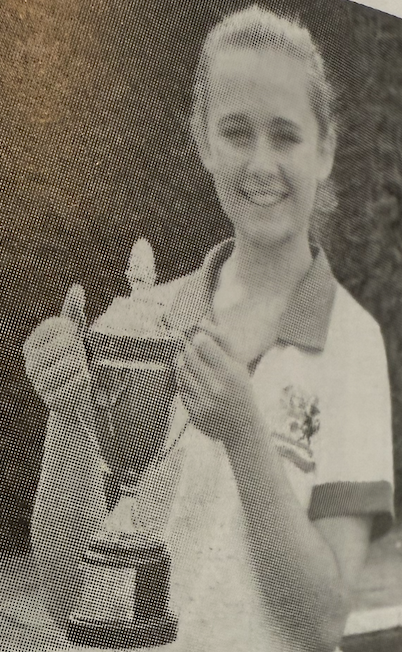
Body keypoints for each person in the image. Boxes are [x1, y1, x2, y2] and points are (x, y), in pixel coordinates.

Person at [23, 6, 394, 652]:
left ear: (325, 149)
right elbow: (63, 597)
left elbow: (320, 619)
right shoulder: (144, 326)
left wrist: (245, 433)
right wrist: (71, 412)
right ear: (203, 143)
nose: (261, 164)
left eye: (286, 135)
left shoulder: (352, 344)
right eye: (235, 132)